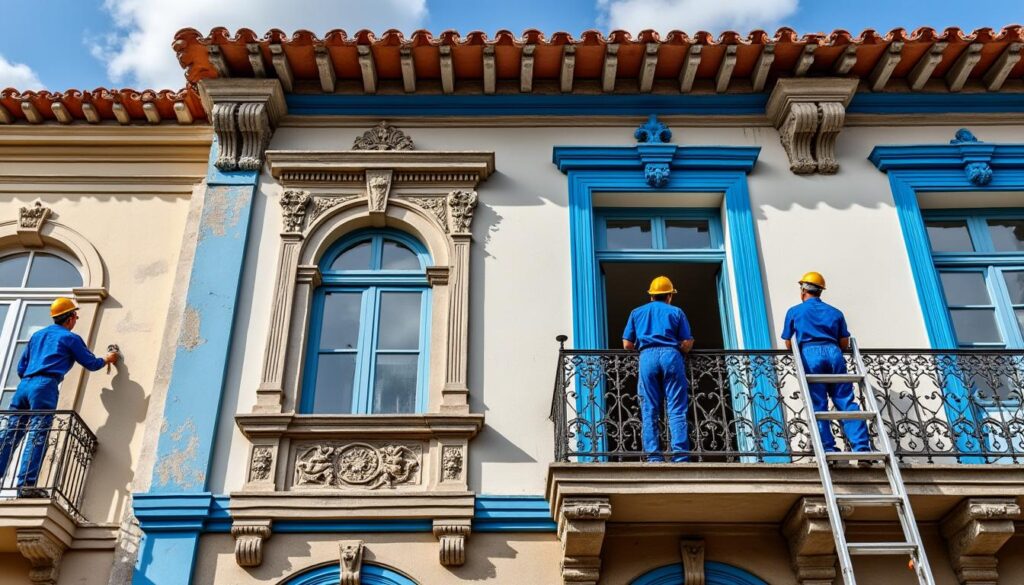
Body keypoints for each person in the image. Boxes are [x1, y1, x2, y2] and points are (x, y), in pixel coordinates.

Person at [0, 297, 118, 492]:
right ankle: (26, 485)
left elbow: (21, 367)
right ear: (70, 318)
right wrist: (107, 359)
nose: (76, 319)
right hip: (45, 385)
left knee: (11, 431)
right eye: (76, 316)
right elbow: (91, 363)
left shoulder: (37, 335)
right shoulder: (70, 338)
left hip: (24, 385)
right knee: (38, 433)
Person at [781, 272, 871, 465]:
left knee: (818, 404)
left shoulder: (795, 311)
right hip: (834, 354)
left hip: (810, 354)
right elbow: (844, 342)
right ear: (820, 291)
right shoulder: (835, 312)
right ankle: (862, 449)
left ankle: (827, 449)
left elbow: (788, 342)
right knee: (846, 402)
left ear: (803, 290)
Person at [622, 276, 695, 462]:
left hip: (647, 357)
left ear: (651, 296)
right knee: (676, 408)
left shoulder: (636, 312)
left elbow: (627, 344)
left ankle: (654, 456)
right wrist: (684, 347)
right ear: (670, 295)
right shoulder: (676, 312)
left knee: (649, 408)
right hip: (671, 355)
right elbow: (686, 343)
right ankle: (680, 456)